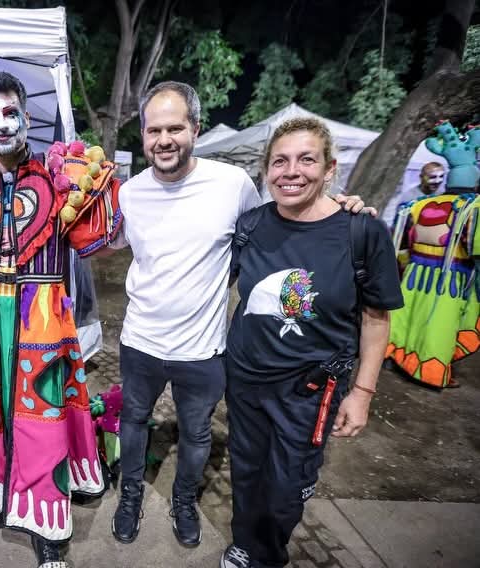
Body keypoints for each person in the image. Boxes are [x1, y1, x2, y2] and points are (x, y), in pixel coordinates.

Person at [107, 82, 370, 550]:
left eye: (174, 127)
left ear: (195, 128)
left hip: (204, 348)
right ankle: (129, 494)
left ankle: (183, 500)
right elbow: (105, 241)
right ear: (143, 135)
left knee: (196, 433)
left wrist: (342, 205)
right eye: (153, 130)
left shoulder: (232, 185)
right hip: (140, 339)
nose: (163, 139)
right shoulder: (129, 193)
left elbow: (280, 219)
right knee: (133, 421)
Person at [0, 71, 119, 568]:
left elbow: (109, 235)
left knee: (40, 415)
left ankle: (47, 525)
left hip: (41, 317)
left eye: (10, 112)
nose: (1, 124)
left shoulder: (60, 176)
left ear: (26, 115)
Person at [220, 117, 403, 568]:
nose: (291, 171)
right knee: (245, 472)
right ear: (266, 170)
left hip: (309, 390)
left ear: (330, 169)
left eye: (306, 159)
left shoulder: (362, 232)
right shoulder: (251, 226)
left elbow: (376, 320)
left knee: (287, 486)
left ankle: (267, 555)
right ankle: (246, 542)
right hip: (244, 379)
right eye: (279, 161)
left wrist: (361, 393)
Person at [386, 124, 479, 389]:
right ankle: (430, 371)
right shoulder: (473, 207)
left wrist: (404, 265)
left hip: (415, 273)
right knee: (439, 323)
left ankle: (393, 356)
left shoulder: (416, 206)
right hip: (452, 279)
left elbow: (399, 239)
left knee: (406, 316)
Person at [380, 161, 445, 228]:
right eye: (432, 177)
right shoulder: (408, 197)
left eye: (441, 176)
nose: (437, 181)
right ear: (421, 177)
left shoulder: (443, 195)